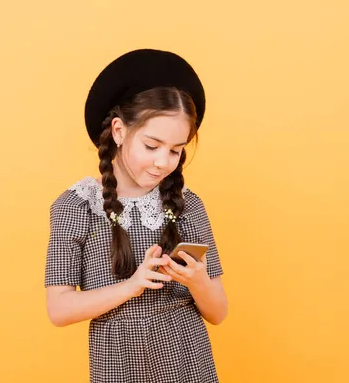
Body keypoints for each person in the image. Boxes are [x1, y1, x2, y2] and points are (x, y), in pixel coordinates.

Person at [44, 49, 228, 383]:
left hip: (189, 363)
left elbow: (218, 313)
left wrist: (198, 281)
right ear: (118, 131)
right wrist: (132, 285)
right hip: (119, 366)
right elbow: (59, 309)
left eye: (175, 150)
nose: (163, 162)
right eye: (152, 145)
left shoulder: (188, 205)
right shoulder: (78, 205)